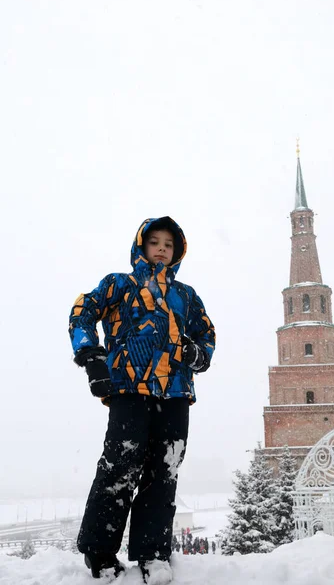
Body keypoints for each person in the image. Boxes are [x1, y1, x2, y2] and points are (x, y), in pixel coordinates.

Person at [69, 216, 215, 583]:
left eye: (169, 243)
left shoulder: (186, 295)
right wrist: (92, 357)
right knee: (120, 464)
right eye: (155, 242)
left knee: (164, 469)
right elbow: (82, 312)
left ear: (177, 250)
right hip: (130, 390)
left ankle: (153, 553)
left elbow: (206, 335)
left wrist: (196, 354)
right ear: (141, 246)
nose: (162, 248)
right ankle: (100, 553)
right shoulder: (120, 284)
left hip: (176, 393)